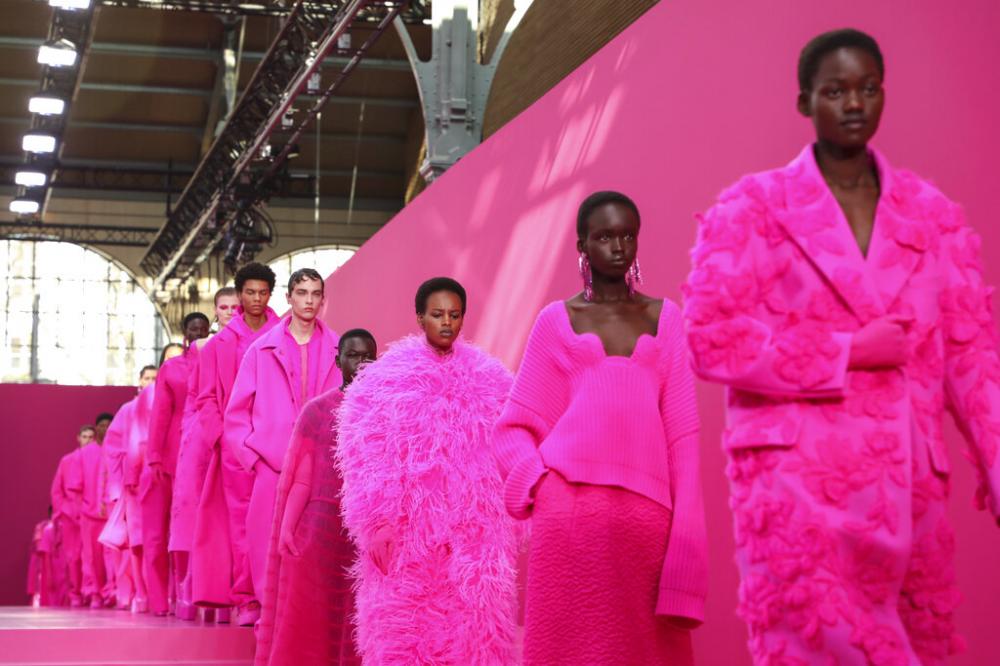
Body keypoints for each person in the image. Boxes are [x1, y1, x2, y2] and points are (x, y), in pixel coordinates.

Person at [683, 28, 1000, 664]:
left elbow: (973, 357)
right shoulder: (751, 209)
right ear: (805, 102)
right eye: (835, 91)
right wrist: (847, 350)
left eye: (868, 88)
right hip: (798, 489)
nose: (854, 103)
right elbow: (711, 339)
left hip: (910, 492)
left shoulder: (932, 216)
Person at [492, 192, 704, 665]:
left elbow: (684, 443)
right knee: (566, 652)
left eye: (628, 235)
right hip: (568, 519)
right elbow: (512, 428)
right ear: (582, 245)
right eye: (605, 236)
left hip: (647, 523)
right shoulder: (556, 321)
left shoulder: (666, 319)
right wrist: (540, 486)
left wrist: (687, 543)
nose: (618, 247)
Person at [336, 277, 518, 664]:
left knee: (473, 631)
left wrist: (504, 516)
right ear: (420, 317)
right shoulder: (386, 382)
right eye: (437, 314)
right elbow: (363, 453)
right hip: (408, 537)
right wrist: (377, 522)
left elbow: (511, 446)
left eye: (454, 314)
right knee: (405, 630)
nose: (446, 323)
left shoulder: (491, 380)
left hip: (473, 536)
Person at [255, 328, 377, 666]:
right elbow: (302, 479)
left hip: (364, 534)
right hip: (320, 532)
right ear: (338, 361)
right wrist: (287, 529)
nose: (361, 363)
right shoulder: (318, 411)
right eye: (353, 355)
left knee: (360, 619)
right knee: (314, 618)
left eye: (368, 356)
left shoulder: (386, 411)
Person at [225, 268, 339, 613]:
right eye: (302, 293)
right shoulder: (261, 350)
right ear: (289, 298)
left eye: (315, 294)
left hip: (322, 465)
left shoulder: (338, 348)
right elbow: (236, 412)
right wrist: (254, 460)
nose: (308, 301)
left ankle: (306, 615)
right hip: (271, 464)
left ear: (323, 300)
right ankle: (268, 613)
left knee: (317, 540)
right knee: (263, 540)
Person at [191, 263, 280, 625]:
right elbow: (205, 397)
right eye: (250, 292)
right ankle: (248, 599)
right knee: (242, 524)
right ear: (240, 294)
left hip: (277, 444)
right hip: (236, 447)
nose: (256, 298)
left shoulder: (285, 334)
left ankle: (275, 596)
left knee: (277, 522)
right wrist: (223, 437)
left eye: (263, 292)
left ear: (270, 294)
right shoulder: (219, 344)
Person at [170, 288, 240, 622]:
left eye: (234, 307)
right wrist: (204, 434)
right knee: (204, 516)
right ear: (215, 310)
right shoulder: (206, 347)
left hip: (241, 434)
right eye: (223, 307)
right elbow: (197, 395)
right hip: (207, 436)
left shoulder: (256, 339)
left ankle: (228, 595)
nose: (229, 312)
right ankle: (198, 591)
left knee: (231, 518)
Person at [143, 313, 210, 616]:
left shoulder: (214, 361)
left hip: (205, 452)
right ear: (184, 333)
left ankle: (193, 592)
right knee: (163, 530)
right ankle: (165, 597)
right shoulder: (171, 368)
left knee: (196, 526)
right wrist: (154, 455)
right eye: (193, 330)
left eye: (203, 330)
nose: (198, 334)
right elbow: (160, 414)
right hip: (171, 454)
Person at [100, 364, 158, 613]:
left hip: (159, 480)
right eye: (147, 378)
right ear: (139, 381)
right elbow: (112, 450)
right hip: (133, 485)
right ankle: (139, 593)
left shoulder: (165, 405)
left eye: (155, 378)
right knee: (136, 541)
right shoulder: (128, 410)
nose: (151, 382)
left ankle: (157, 593)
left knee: (158, 539)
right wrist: (115, 487)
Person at [50, 425, 98, 608]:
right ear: (78, 438)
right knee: (73, 557)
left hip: (91, 514)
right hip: (71, 517)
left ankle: (93, 592)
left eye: (91, 437)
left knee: (92, 556)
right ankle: (75, 593)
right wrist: (64, 510)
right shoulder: (67, 461)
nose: (88, 440)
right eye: (84, 436)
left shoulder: (98, 458)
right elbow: (57, 490)